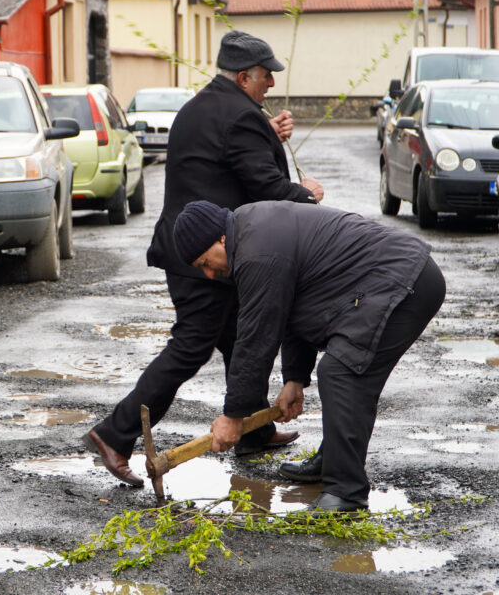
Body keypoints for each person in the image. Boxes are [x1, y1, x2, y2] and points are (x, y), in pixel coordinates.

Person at [83, 30, 324, 486]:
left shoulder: (206, 106)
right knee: (192, 344)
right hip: (203, 254)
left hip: (194, 244)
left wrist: (266, 135)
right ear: (243, 75)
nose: (271, 83)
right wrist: (305, 194)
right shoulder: (239, 117)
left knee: (236, 337)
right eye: (265, 75)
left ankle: (253, 428)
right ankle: (114, 434)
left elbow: (221, 157)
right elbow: (265, 188)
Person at [172, 200, 445, 512]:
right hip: (397, 276)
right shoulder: (253, 231)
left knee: (342, 372)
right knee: (342, 370)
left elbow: (256, 338)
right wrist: (294, 379)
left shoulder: (257, 252)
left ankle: (345, 493)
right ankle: (334, 462)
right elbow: (289, 309)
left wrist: (234, 416)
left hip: (404, 281)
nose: (209, 273)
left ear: (219, 238)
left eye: (205, 262)